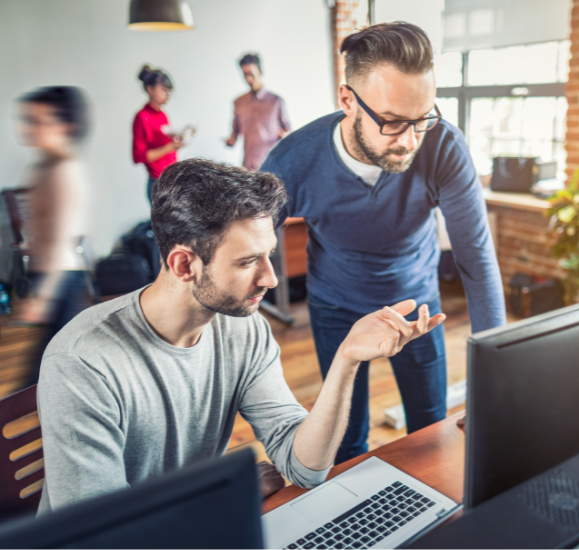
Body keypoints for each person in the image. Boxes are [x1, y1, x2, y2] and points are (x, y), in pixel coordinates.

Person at [36, 158, 444, 513]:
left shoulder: (242, 328)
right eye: (249, 261)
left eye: (269, 254)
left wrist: (347, 359)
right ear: (184, 264)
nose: (271, 277)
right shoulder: (83, 362)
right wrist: (220, 495)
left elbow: (303, 465)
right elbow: (100, 536)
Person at [260, 22, 506, 464]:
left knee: (430, 433)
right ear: (347, 100)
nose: (410, 141)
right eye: (392, 122)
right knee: (347, 441)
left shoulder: (443, 146)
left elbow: (476, 259)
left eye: (422, 119)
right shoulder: (292, 160)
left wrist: (495, 380)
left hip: (418, 308)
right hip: (336, 307)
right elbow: (247, 250)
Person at [15, 86, 91, 389]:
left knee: (45, 374)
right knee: (50, 371)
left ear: (66, 126)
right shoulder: (46, 166)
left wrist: (44, 296)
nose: (29, 129)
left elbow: (61, 241)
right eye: (28, 120)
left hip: (62, 279)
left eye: (39, 121)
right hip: (49, 275)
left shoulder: (64, 170)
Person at [226, 53, 292, 170]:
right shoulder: (238, 103)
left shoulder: (276, 101)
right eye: (245, 75)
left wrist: (284, 136)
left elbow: (289, 132)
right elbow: (234, 134)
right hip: (247, 168)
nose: (248, 79)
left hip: (272, 166)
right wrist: (230, 141)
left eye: (251, 74)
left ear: (260, 72)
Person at [132, 65, 185, 202]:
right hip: (158, 182)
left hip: (172, 179)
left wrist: (177, 141)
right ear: (150, 89)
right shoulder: (142, 117)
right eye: (164, 91)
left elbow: (165, 142)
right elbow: (139, 156)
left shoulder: (162, 115)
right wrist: (170, 147)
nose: (167, 96)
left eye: (169, 92)